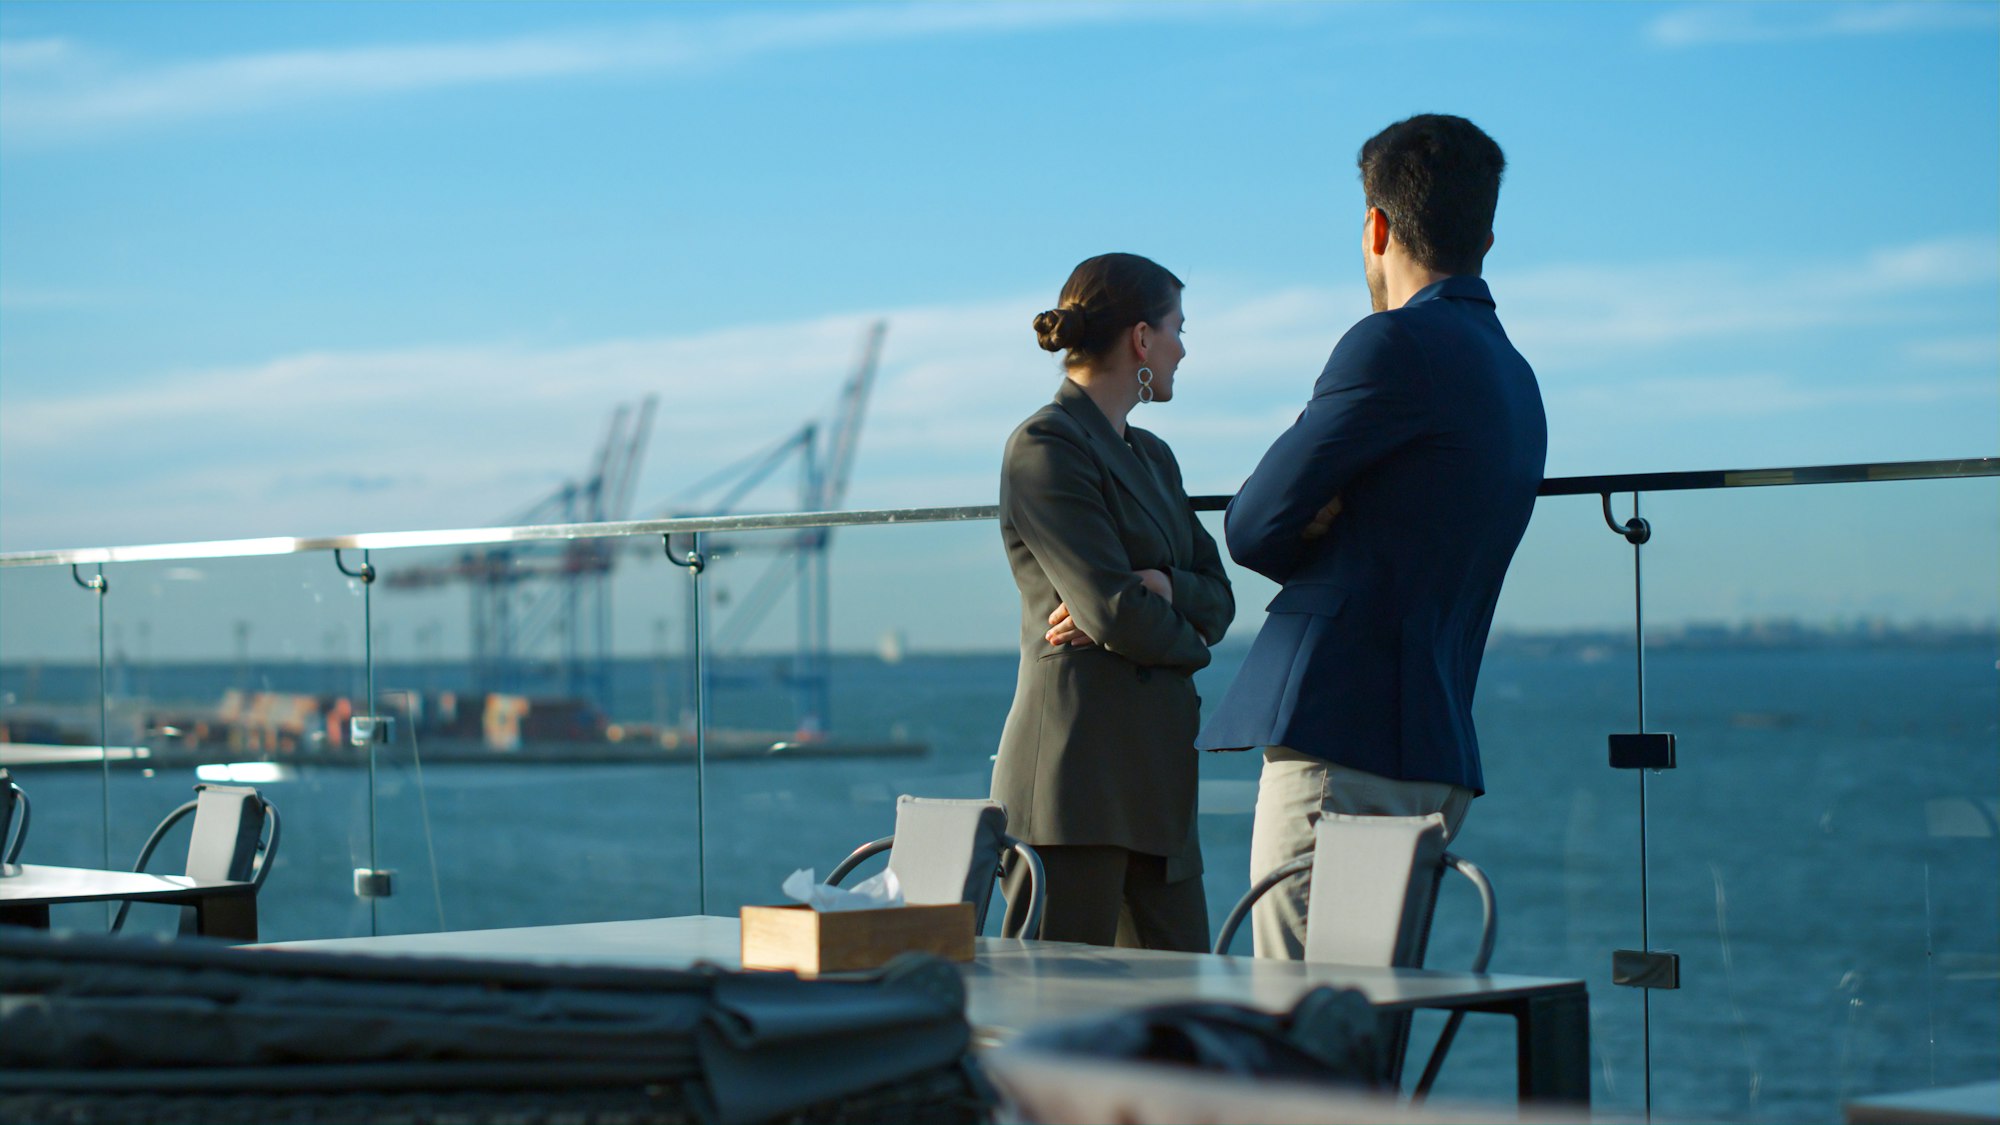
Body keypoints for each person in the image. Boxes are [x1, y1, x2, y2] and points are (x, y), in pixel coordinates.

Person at [1195, 115, 1547, 959]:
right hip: (1435, 747)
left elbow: (1251, 523)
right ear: (1487, 236)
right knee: (1366, 1032)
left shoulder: (1389, 345)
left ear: (1377, 226)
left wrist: (1318, 517)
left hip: (1341, 747)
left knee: (1305, 1031)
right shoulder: (1516, 376)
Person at [991, 252, 1235, 952]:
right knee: (1056, 1025)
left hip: (1158, 791)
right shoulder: (1044, 447)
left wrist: (1162, 585)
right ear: (1140, 341)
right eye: (1176, 330)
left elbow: (1217, 598)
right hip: (1074, 790)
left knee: (1180, 1023)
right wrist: (1183, 641)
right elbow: (1110, 611)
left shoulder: (1154, 457)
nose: (1182, 349)